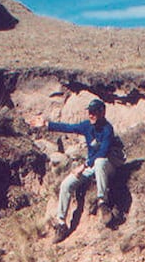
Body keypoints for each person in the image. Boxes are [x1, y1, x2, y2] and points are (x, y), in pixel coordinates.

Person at [26, 98, 120, 241]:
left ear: (102, 112)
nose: (91, 115)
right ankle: (61, 224)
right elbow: (69, 128)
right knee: (66, 184)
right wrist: (46, 124)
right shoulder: (87, 126)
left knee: (100, 162)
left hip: (107, 165)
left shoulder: (108, 129)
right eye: (90, 112)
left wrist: (83, 166)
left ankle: (103, 203)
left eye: (94, 112)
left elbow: (103, 152)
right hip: (91, 166)